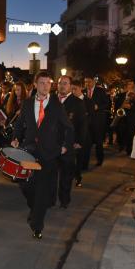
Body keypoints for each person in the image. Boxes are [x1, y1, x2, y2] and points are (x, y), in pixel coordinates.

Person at [11, 71, 73, 239]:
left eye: (48, 83)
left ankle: (37, 225)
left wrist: (65, 146)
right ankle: (35, 208)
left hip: (49, 153)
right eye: (42, 83)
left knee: (42, 189)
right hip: (29, 151)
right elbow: (19, 124)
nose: (46, 86)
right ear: (35, 84)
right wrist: (16, 138)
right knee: (25, 185)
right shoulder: (27, 103)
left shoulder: (56, 104)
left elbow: (68, 127)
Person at [57, 75, 87, 204]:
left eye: (65, 83)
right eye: (60, 83)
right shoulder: (51, 100)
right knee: (50, 174)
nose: (62, 86)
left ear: (70, 86)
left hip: (69, 143)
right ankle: (50, 199)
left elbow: (83, 124)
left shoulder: (78, 102)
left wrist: (79, 141)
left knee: (66, 174)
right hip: (51, 144)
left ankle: (64, 200)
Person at [83, 76, 109, 167]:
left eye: (89, 82)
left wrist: (98, 107)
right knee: (86, 142)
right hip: (87, 120)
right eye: (85, 82)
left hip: (98, 120)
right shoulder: (84, 91)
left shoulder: (100, 91)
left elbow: (107, 103)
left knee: (98, 141)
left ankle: (99, 159)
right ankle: (85, 162)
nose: (87, 84)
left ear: (94, 81)